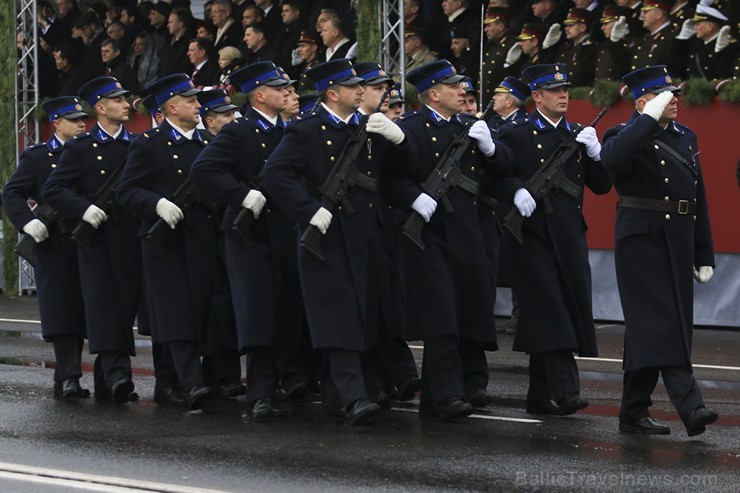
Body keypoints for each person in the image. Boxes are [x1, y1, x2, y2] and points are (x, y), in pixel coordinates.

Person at [262, 59, 415, 425]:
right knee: (338, 316)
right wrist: (308, 210)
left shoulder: (369, 127)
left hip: (366, 237)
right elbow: (276, 172)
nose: (362, 90)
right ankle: (354, 395)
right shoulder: (307, 130)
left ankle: (336, 396)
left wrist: (401, 140)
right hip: (327, 236)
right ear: (332, 93)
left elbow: (402, 173)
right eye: (352, 86)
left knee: (359, 315)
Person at [390, 59, 514, 418]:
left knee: (467, 311)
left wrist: (490, 147)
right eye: (454, 86)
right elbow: (390, 176)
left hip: (467, 232)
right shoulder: (411, 128)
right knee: (440, 315)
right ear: (433, 93)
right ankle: (441, 395)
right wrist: (413, 197)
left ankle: (458, 386)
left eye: (462, 86)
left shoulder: (471, 126)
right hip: (428, 235)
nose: (463, 92)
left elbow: (506, 168)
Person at [600, 65, 718, 437]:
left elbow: (698, 198)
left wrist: (704, 253)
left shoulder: (686, 136)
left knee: (654, 324)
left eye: (675, 94)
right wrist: (646, 121)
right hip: (641, 240)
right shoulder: (624, 133)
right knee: (662, 321)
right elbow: (611, 163)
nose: (674, 101)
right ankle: (690, 404)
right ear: (643, 102)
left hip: (678, 238)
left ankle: (633, 411)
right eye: (664, 96)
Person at [494, 64, 612, 416]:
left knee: (552, 313)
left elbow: (603, 186)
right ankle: (566, 389)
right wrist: (515, 191)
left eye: (566, 90)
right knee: (553, 311)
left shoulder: (578, 133)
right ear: (537, 97)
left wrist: (595, 154)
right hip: (531, 237)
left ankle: (538, 393)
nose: (564, 96)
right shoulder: (517, 132)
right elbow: (493, 175)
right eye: (555, 90)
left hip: (570, 237)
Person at [191, 63, 308, 419]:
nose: (287, 92)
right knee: (258, 310)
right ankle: (259, 391)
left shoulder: (291, 130)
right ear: (259, 95)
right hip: (251, 235)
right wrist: (241, 195)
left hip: (286, 231)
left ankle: (289, 378)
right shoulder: (238, 132)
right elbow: (204, 170)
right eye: (279, 88)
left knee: (288, 306)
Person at [116, 74, 229, 411]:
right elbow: (126, 191)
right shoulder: (148, 144)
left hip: (202, 240)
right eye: (191, 100)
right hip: (165, 243)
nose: (198, 105)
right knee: (176, 313)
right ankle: (192, 383)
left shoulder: (207, 144)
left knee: (199, 312)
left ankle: (168, 382)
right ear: (171, 106)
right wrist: (157, 204)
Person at [42, 76, 142, 405]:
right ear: (100, 107)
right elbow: (54, 190)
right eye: (118, 100)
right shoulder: (80, 148)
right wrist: (83, 209)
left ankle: (105, 377)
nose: (127, 105)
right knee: (104, 307)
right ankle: (118, 375)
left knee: (124, 307)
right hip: (95, 241)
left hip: (128, 238)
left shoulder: (136, 145)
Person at [3, 97, 88, 399]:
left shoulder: (90, 152)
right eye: (75, 119)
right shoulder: (39, 157)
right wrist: (27, 222)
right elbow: (12, 193)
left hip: (87, 240)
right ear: (57, 124)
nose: (82, 124)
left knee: (84, 308)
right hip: (54, 242)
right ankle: (70, 377)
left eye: (83, 119)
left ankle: (66, 376)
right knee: (62, 310)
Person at [481, 7, 520, 105]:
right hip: (486, 99)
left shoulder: (512, 44)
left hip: (503, 101)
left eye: (489, 25)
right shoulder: (491, 45)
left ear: (501, 26)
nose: (485, 29)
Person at [554, 9, 597, 87]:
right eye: (566, 25)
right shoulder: (566, 47)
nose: (566, 28)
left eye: (571, 25)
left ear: (582, 27)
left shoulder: (591, 48)